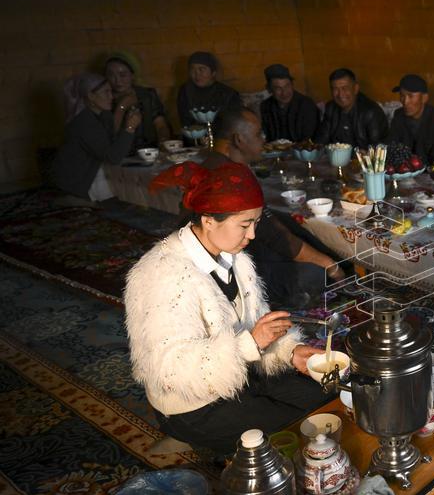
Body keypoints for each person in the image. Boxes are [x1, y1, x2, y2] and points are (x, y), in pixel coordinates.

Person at [126, 161, 329, 454]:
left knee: (325, 401)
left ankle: (226, 437)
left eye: (256, 223)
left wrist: (290, 352)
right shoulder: (164, 275)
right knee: (299, 431)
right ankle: (191, 436)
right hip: (193, 404)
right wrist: (250, 344)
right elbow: (171, 371)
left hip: (243, 375)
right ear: (208, 220)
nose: (252, 235)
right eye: (245, 225)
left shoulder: (234, 257)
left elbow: (257, 328)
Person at [194, 108, 348, 306]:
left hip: (244, 251)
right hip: (233, 272)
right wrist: (330, 265)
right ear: (239, 140)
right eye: (258, 134)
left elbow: (270, 227)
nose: (263, 139)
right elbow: (274, 237)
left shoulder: (213, 164)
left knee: (297, 228)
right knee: (317, 274)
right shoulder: (229, 178)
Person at [51, 73, 141, 202]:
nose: (111, 97)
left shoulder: (103, 116)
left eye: (111, 92)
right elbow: (113, 157)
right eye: (106, 92)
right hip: (75, 183)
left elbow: (114, 144)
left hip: (92, 173)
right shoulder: (83, 122)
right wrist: (130, 128)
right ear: (91, 96)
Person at [104, 51, 171, 153]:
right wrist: (122, 106)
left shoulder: (147, 95)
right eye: (111, 75)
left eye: (123, 75)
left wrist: (163, 142)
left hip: (149, 151)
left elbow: (160, 124)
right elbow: (109, 135)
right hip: (120, 154)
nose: (117, 81)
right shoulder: (104, 99)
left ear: (132, 75)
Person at [388, 74, 434, 171]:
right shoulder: (398, 117)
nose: (405, 101)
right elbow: (392, 150)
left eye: (411, 96)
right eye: (402, 95)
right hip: (405, 177)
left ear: (424, 98)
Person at [313, 67, 389, 148]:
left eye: (345, 88)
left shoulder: (371, 112)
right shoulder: (331, 108)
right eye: (335, 89)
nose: (340, 94)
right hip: (336, 159)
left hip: (362, 159)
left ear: (356, 88)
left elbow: (378, 149)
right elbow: (321, 141)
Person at [176, 51, 242, 128]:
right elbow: (185, 121)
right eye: (192, 69)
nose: (197, 74)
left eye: (201, 69)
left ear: (213, 72)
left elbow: (232, 123)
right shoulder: (185, 91)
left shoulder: (228, 94)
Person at [258, 63, 319, 142]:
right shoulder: (265, 106)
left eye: (287, 86)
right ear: (269, 89)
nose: (284, 93)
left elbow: (309, 139)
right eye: (278, 88)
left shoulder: (306, 105)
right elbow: (266, 136)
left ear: (292, 84)